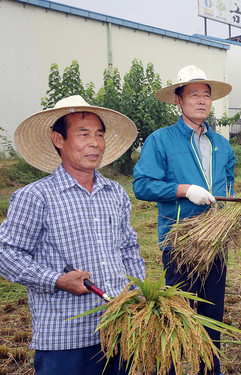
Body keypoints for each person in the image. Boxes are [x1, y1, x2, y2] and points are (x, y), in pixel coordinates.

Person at [0, 95, 145, 375]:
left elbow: (128, 249)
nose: (95, 143)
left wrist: (141, 295)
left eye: (100, 134)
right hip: (65, 338)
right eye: (84, 134)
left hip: (118, 328)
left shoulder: (115, 193)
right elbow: (6, 254)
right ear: (58, 140)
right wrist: (56, 280)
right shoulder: (35, 197)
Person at [133, 65, 235, 375]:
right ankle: (172, 369)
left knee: (211, 317)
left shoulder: (222, 144)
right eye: (194, 95)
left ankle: (209, 369)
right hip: (180, 243)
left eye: (206, 95)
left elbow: (230, 186)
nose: (202, 101)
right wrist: (183, 189)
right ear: (178, 101)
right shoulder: (161, 140)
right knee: (177, 316)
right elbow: (142, 185)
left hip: (216, 243)